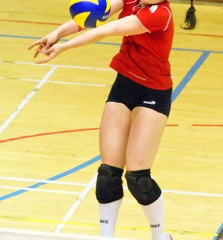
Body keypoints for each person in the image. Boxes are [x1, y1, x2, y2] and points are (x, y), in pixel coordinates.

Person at [28, 0, 196, 239]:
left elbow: (105, 30)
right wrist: (56, 33)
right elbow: (94, 16)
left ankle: (161, 236)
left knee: (138, 177)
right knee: (108, 173)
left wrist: (64, 48)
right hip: (124, 86)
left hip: (153, 93)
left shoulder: (160, 15)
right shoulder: (130, 1)